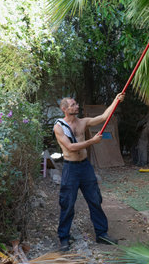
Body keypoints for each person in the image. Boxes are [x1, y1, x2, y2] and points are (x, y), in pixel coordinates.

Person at [53, 93, 125, 251]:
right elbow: (70, 147)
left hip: (85, 167)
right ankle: (64, 238)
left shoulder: (83, 122)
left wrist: (116, 100)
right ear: (64, 109)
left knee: (95, 200)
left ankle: (101, 234)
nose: (77, 106)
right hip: (70, 168)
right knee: (67, 203)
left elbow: (104, 116)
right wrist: (92, 142)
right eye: (73, 105)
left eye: (76, 104)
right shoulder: (59, 127)